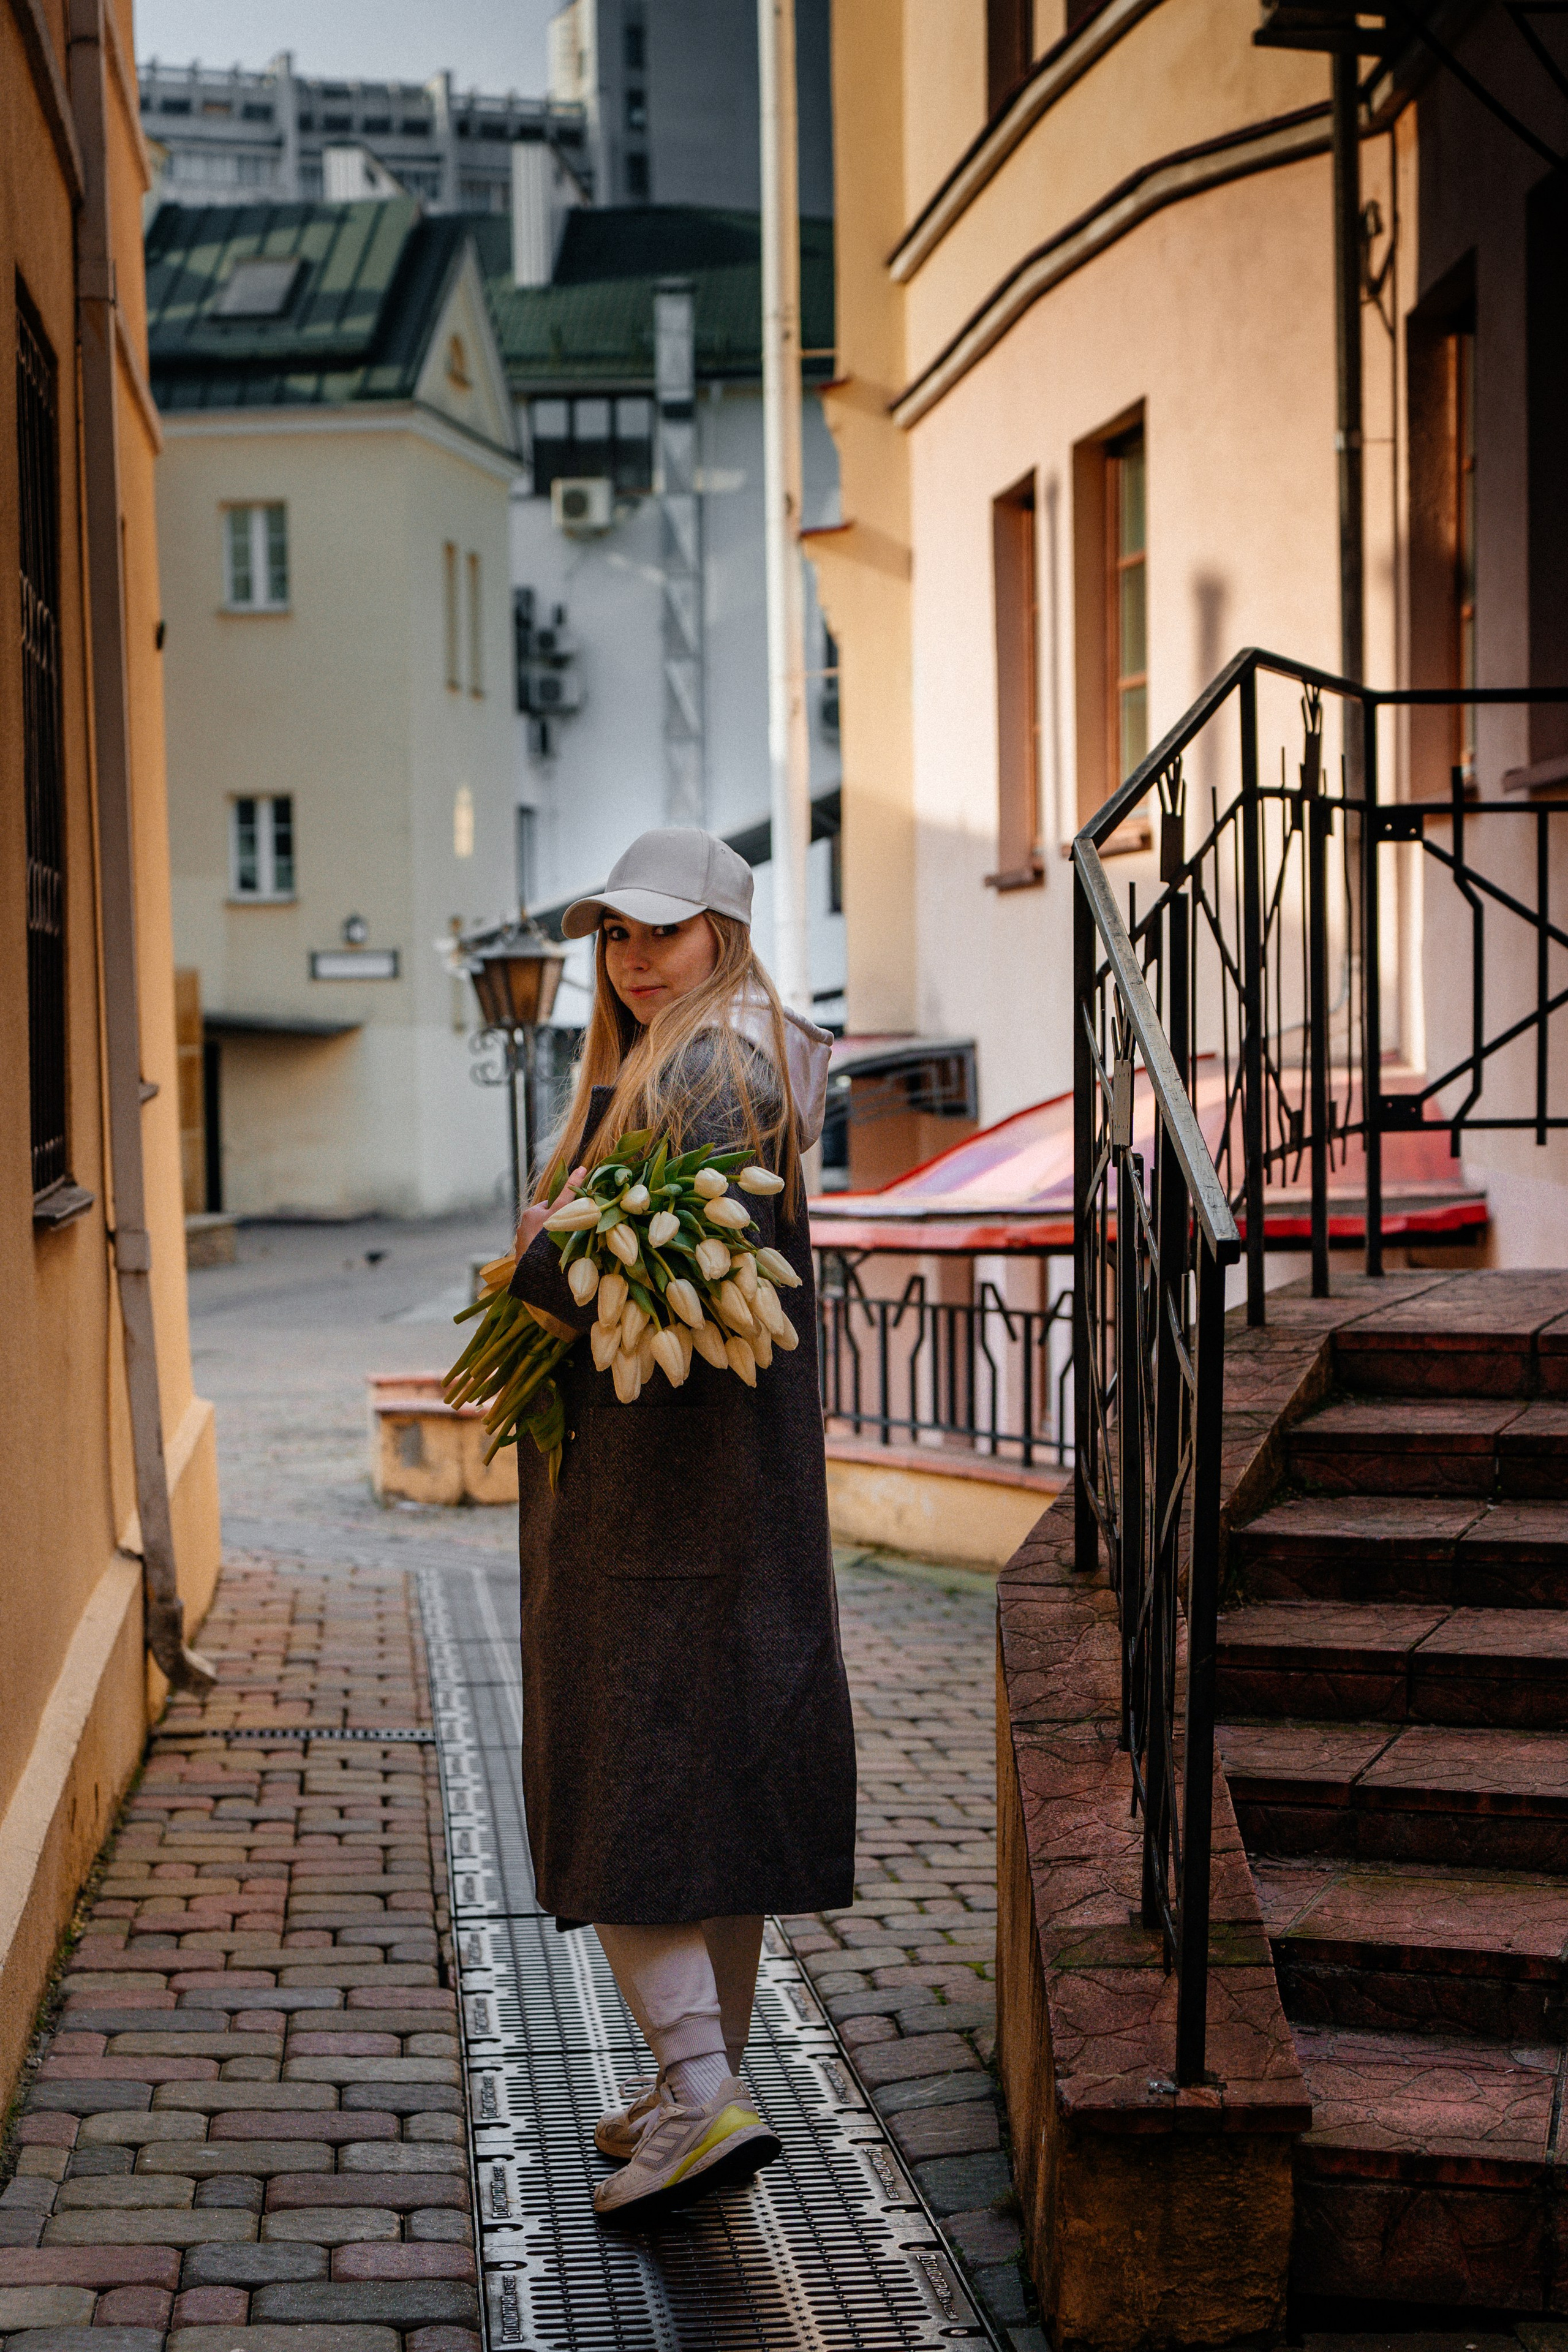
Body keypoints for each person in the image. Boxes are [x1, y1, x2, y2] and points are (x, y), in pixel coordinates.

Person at [506, 826, 857, 2218]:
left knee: (630, 1779)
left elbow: (627, 1289)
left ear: (725, 928)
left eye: (660, 931)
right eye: (614, 934)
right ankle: (689, 2082)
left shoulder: (708, 1069)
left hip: (659, 1504)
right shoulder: (745, 1055)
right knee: (715, 1779)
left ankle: (700, 2101)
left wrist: (537, 1252)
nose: (634, 958)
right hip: (719, 1493)